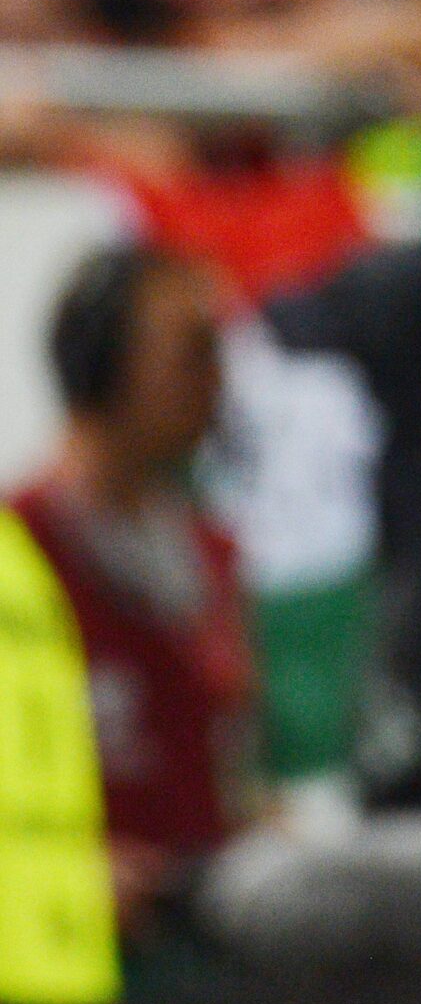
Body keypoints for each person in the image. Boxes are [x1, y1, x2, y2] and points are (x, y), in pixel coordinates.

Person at [11, 245, 256, 939]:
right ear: (102, 366)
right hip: (59, 951)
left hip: (198, 934)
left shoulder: (210, 554)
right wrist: (54, 875)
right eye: (193, 352)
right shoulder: (19, 553)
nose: (217, 381)